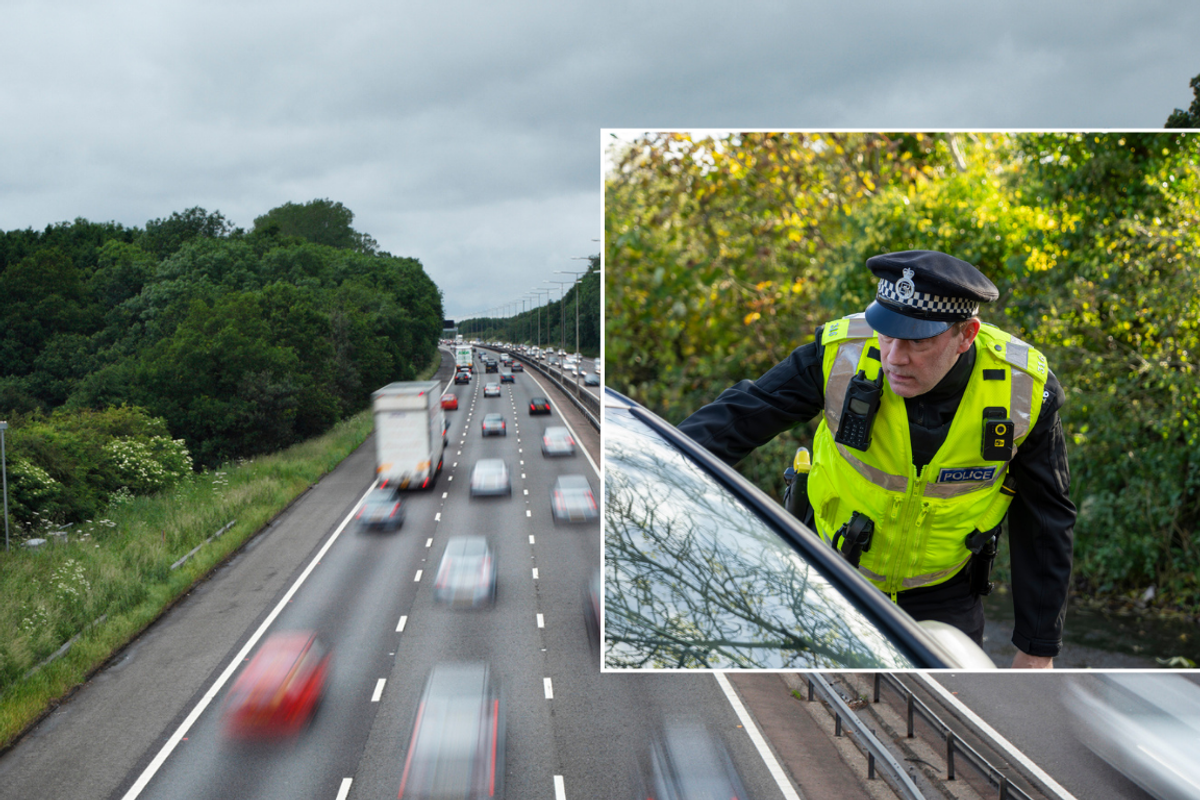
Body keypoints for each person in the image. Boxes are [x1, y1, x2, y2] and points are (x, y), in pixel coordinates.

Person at [678, 250, 1075, 669]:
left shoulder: (1023, 390)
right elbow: (739, 417)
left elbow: (1045, 518)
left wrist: (1036, 650)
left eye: (918, 341)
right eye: (886, 333)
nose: (894, 357)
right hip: (828, 573)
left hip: (944, 596)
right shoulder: (840, 353)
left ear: (966, 334)